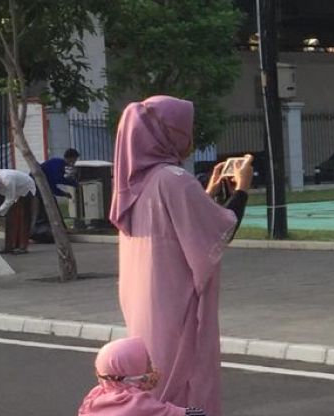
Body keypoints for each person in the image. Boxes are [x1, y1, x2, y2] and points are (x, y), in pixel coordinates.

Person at [112, 96, 252, 416]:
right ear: (170, 132)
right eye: (186, 129)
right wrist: (242, 190)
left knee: (150, 377)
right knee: (183, 380)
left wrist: (207, 195)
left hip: (145, 305)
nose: (189, 138)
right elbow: (219, 231)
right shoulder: (173, 180)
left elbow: (179, 228)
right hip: (176, 305)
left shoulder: (134, 184)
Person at [78, 336, 206, 416]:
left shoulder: (96, 397)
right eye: (147, 365)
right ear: (130, 372)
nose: (152, 369)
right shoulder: (136, 405)